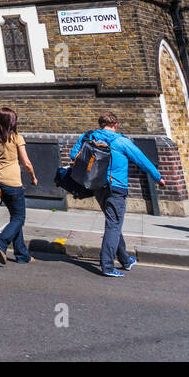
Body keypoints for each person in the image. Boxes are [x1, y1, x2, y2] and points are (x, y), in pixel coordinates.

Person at [71, 111, 162, 278]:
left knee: (113, 222)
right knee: (113, 224)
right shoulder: (121, 141)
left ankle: (125, 260)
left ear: (100, 124)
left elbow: (73, 156)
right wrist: (158, 178)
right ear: (116, 125)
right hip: (116, 187)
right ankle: (107, 265)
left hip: (97, 186)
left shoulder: (88, 137)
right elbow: (142, 160)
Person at [0, 107, 37, 265]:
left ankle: (22, 255)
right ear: (11, 122)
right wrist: (33, 177)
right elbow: (27, 163)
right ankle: (1, 241)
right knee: (19, 218)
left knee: (15, 217)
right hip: (13, 182)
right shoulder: (17, 138)